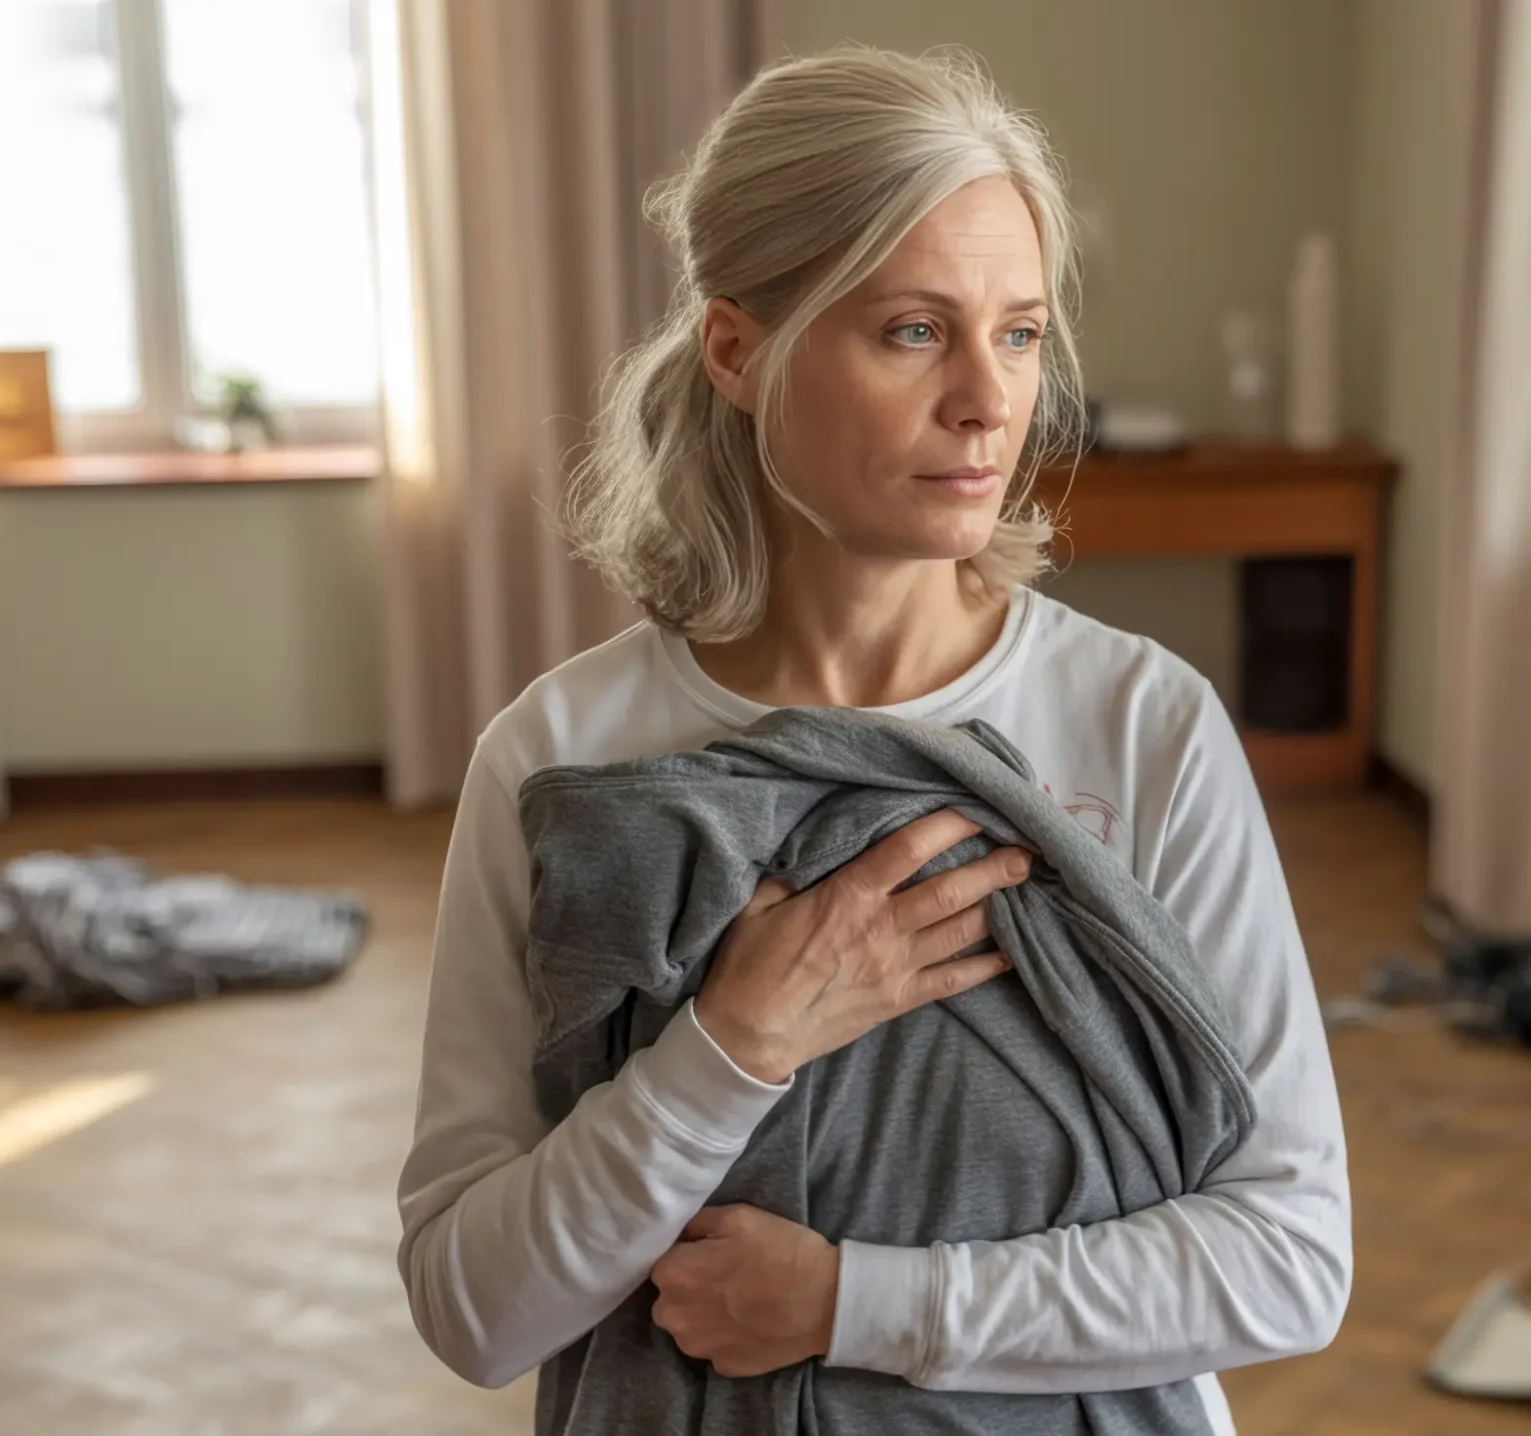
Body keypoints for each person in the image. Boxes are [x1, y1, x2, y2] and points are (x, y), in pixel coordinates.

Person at [396, 44, 1351, 1434]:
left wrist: (855, 1301)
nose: (990, 401)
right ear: (737, 349)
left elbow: (1290, 1262)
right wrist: (728, 1049)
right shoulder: (563, 754)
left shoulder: (1141, 727)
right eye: (915, 329)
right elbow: (475, 1315)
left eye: (1019, 333)